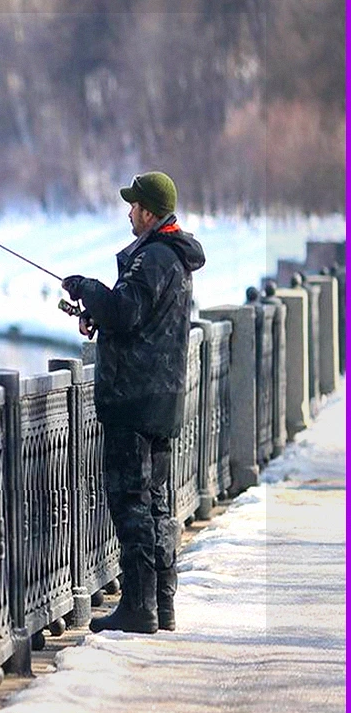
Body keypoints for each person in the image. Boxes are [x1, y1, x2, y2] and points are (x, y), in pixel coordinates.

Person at [60, 171, 206, 634]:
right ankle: (162, 602)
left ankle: (140, 606)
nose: (129, 212)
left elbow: (124, 311)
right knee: (157, 504)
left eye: (134, 206)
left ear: (149, 212)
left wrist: (87, 288)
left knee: (132, 503)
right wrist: (98, 316)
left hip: (135, 399)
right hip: (159, 397)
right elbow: (138, 321)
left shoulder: (154, 258)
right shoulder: (172, 257)